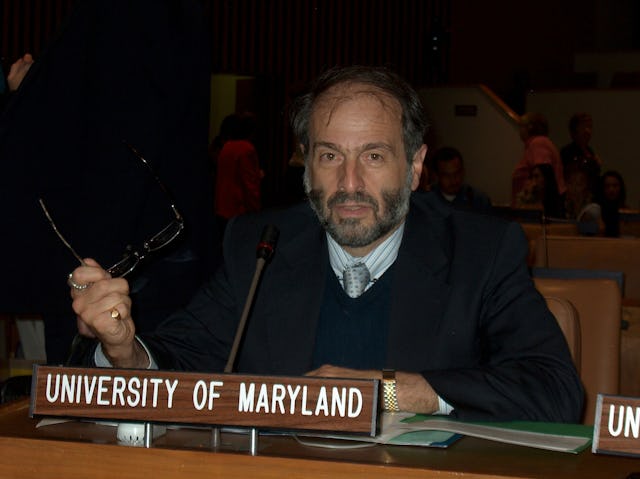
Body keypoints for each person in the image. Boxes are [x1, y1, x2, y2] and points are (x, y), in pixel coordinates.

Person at [69, 65, 583, 422]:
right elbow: (181, 360)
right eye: (330, 156)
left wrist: (391, 392)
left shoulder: (480, 250)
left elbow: (556, 390)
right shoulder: (260, 246)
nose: (350, 183)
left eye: (375, 156)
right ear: (305, 162)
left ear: (417, 166)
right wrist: (123, 350)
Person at [214, 112, 263, 232]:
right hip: (238, 210)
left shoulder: (227, 146)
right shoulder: (246, 149)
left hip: (222, 208)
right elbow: (249, 185)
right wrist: (256, 211)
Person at [511, 112, 565, 207]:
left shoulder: (538, 143)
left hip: (535, 206)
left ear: (530, 127)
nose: (519, 130)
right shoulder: (537, 144)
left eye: (521, 126)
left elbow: (543, 173)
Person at [429, 146, 492, 214]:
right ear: (436, 175)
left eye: (457, 173)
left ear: (463, 171)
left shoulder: (478, 200)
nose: (453, 180)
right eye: (447, 176)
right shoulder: (428, 200)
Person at [560, 113, 602, 198]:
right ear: (574, 130)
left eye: (590, 127)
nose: (588, 131)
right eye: (584, 127)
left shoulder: (590, 152)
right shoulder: (567, 152)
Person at [597, 170, 627, 237]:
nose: (611, 189)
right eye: (607, 186)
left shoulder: (625, 211)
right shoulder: (596, 211)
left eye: (615, 186)